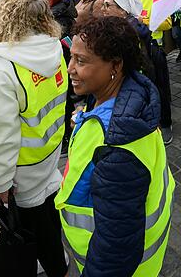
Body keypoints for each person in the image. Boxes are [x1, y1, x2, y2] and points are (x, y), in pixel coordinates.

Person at [55, 16, 174, 276]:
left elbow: (115, 249)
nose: (69, 69)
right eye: (71, 57)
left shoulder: (117, 150)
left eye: (81, 61)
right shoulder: (125, 95)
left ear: (116, 66)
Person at [0, 0, 69, 277]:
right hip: (47, 155)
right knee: (46, 218)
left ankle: (48, 265)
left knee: (28, 228)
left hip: (20, 169)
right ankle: (57, 266)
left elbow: (1, 134)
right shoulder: (53, 48)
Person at [102, 0, 174, 144]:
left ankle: (163, 124)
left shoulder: (132, 30)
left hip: (149, 66)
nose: (104, 9)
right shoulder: (122, 24)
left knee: (156, 93)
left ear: (122, 10)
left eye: (108, 5)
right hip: (143, 69)